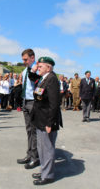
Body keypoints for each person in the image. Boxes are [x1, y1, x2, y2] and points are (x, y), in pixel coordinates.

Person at [28, 57, 63, 185]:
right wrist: (32, 69)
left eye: (40, 66)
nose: (38, 68)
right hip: (40, 118)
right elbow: (35, 83)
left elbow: (54, 104)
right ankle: (44, 170)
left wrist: (50, 123)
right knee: (41, 148)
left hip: (47, 120)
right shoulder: (44, 78)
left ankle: (48, 175)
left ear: (48, 67)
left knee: (47, 149)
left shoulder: (52, 79)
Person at [16, 49, 39, 170]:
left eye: (25, 59)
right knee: (29, 129)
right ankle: (29, 154)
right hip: (25, 101)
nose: (24, 62)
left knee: (34, 130)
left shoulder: (37, 69)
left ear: (32, 58)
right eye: (23, 60)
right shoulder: (25, 70)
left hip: (33, 102)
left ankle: (35, 157)